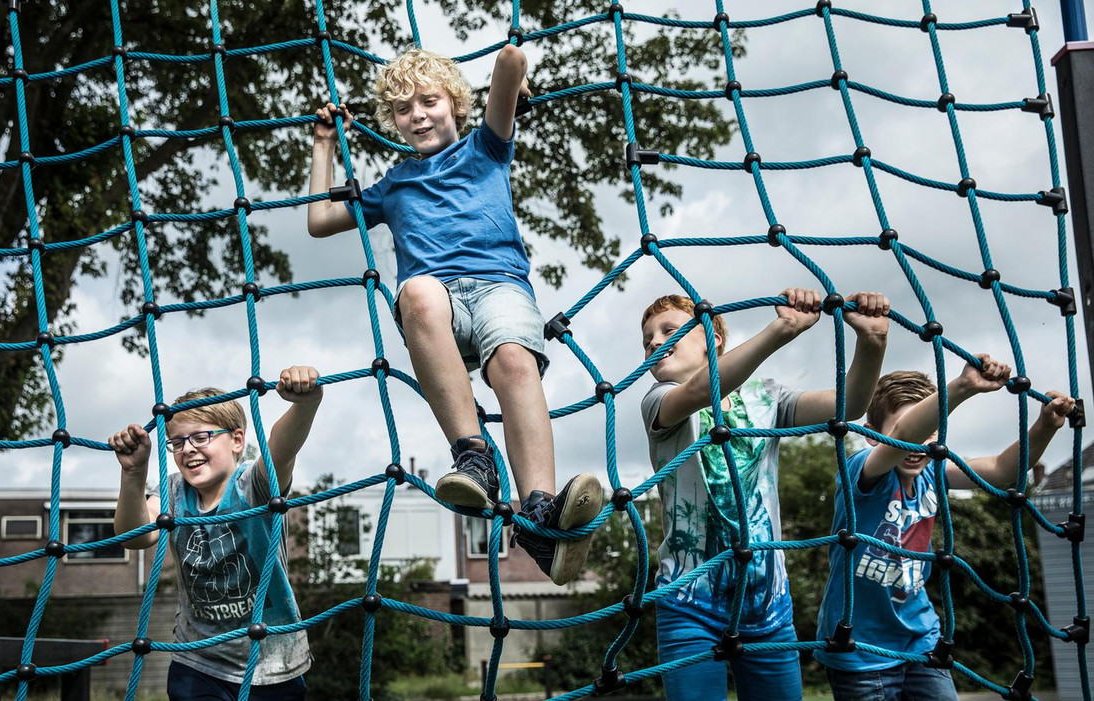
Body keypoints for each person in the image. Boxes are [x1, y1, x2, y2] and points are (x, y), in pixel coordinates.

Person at [305, 45, 602, 585]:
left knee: (515, 362)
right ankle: (473, 457)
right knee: (414, 291)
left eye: (428, 100)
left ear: (457, 104)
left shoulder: (486, 146)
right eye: (402, 109)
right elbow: (319, 221)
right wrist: (325, 144)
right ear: (392, 123)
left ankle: (538, 516)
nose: (417, 114)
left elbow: (510, 60)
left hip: (500, 289)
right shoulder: (394, 183)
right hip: (436, 307)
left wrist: (511, 87)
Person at [639, 289, 890, 700]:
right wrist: (782, 328)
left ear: (712, 337)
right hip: (688, 600)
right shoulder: (658, 401)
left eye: (667, 330)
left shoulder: (766, 398)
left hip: (767, 603)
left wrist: (872, 341)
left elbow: (849, 406)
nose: (653, 342)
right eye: (647, 338)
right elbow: (703, 392)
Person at [815, 362, 1075, 701]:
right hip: (859, 648)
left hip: (921, 639)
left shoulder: (933, 474)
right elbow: (902, 438)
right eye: (911, 430)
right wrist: (961, 387)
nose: (919, 444)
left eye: (931, 432)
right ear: (870, 434)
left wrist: (1045, 426)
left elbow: (999, 469)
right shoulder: (862, 472)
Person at [109, 366, 324, 701]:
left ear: (237, 440)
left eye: (201, 437)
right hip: (198, 661)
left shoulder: (253, 485)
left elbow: (280, 450)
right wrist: (134, 474)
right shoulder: (172, 492)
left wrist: (305, 405)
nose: (188, 449)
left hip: (272, 662)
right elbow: (135, 536)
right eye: (177, 442)